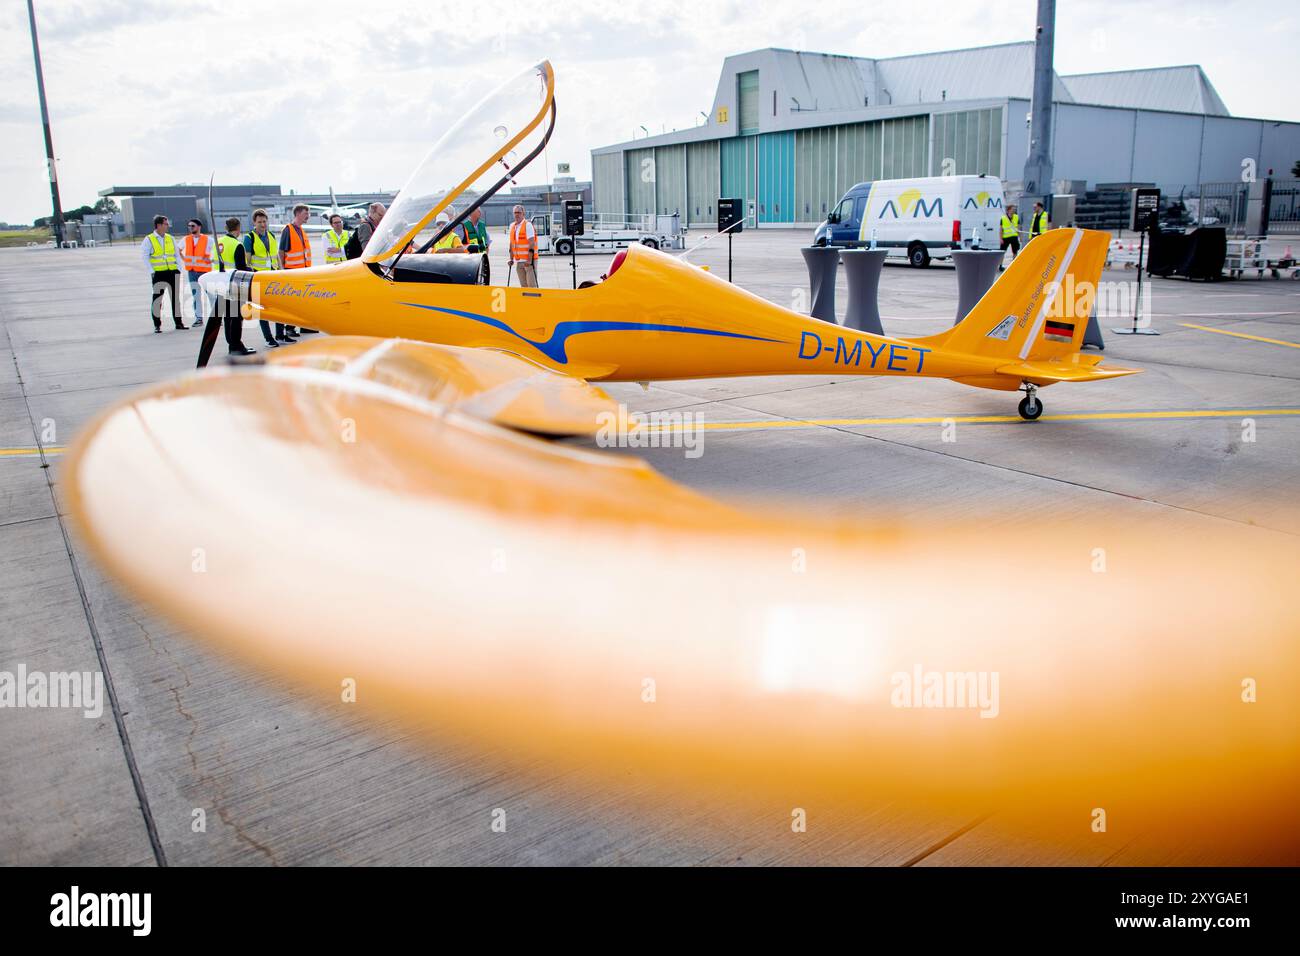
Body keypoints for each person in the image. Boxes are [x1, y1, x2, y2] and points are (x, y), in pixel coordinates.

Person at [214, 217, 256, 356]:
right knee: (237, 317)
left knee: (227, 317)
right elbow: (241, 268)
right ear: (238, 229)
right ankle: (236, 345)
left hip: (219, 284)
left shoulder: (218, 242)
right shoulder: (237, 245)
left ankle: (231, 344)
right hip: (234, 286)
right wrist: (252, 271)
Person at [242, 208, 282, 347]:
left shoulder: (271, 235)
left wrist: (281, 271)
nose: (263, 224)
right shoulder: (249, 238)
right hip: (259, 278)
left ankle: (280, 335)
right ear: (254, 222)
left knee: (280, 307)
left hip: (274, 276)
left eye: (264, 221)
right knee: (262, 310)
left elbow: (276, 255)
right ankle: (268, 338)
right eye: (260, 222)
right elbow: (247, 260)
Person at [139, 215, 187, 333]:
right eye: (166, 224)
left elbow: (176, 254)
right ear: (159, 225)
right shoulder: (149, 239)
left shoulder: (170, 238)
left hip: (172, 271)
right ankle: (157, 325)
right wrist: (152, 271)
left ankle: (179, 323)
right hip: (159, 274)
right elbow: (145, 257)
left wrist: (179, 269)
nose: (168, 226)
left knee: (175, 299)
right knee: (157, 300)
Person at [277, 203, 312, 337]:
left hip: (303, 272)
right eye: (305, 213)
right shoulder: (288, 230)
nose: (308, 216)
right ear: (297, 214)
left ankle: (300, 326)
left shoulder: (301, 230)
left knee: (302, 302)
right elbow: (281, 252)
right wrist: (283, 271)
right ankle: (289, 328)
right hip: (292, 272)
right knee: (294, 302)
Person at [180, 218, 216, 327]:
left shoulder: (208, 240)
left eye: (193, 226)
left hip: (205, 272)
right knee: (196, 296)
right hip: (192, 271)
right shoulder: (186, 239)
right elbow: (178, 250)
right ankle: (199, 318)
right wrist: (185, 259)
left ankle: (216, 318)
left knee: (210, 295)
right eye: (189, 226)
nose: (190, 228)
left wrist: (211, 260)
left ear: (199, 227)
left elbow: (216, 251)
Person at [508, 204, 538, 287]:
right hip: (519, 261)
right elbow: (511, 243)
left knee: (531, 285)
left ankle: (533, 300)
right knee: (523, 286)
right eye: (515, 212)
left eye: (519, 212)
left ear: (523, 213)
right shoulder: (512, 226)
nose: (517, 214)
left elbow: (532, 243)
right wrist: (511, 259)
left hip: (529, 261)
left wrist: (529, 260)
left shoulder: (527, 225)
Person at [459, 206, 491, 282]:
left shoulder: (482, 225)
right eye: (478, 211)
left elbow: (487, 242)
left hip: (481, 258)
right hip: (469, 259)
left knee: (481, 280)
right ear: (471, 213)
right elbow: (459, 244)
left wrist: (486, 255)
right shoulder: (464, 226)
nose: (480, 213)